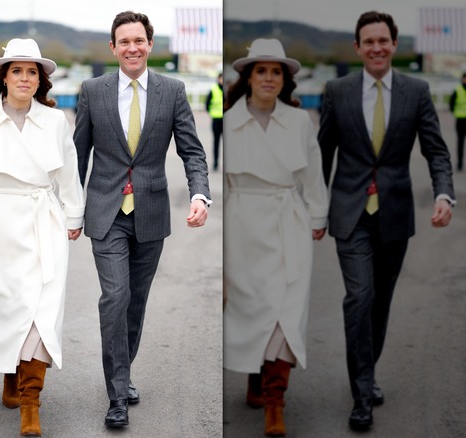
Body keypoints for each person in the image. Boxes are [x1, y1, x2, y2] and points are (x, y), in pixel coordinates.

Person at [318, 11, 456, 431]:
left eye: (384, 40)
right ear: (358, 48)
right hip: (350, 213)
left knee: (379, 305)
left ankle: (367, 370)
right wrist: (315, 208)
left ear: (394, 45)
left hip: (395, 215)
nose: (376, 48)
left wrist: (443, 194)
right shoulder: (337, 91)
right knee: (358, 299)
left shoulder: (417, 91)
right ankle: (362, 395)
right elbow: (321, 155)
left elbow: (436, 150)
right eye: (368, 41)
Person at [73, 11, 211, 428]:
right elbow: (77, 156)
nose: (132, 48)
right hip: (105, 211)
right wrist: (69, 209)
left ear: (150, 45)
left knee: (135, 302)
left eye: (139, 40)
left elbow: (192, 150)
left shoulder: (173, 91)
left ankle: (123, 371)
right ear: (112, 48)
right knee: (115, 299)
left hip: (150, 213)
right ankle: (117, 397)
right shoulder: (91, 91)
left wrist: (200, 193)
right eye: (124, 41)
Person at [0, 38, 84, 437]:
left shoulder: (55, 121)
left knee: (40, 313)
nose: (25, 78)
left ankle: (31, 402)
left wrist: (74, 214)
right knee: (7, 310)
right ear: (4, 77)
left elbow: (68, 173)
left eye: (32, 71)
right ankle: (11, 374)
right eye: (17, 70)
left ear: (40, 79)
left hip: (44, 223)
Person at [222, 38, 329, 437]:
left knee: (286, 311)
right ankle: (257, 376)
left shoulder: (300, 122)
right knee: (251, 310)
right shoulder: (230, 121)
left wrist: (318, 214)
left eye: (276, 71)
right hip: (242, 226)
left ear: (285, 79)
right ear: (248, 76)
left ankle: (274, 403)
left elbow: (312, 174)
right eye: (261, 70)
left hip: (289, 224)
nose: (269, 77)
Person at [205, 72, 224, 170]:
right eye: (221, 78)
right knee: (216, 142)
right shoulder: (213, 90)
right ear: (218, 79)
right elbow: (207, 104)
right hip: (216, 120)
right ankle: (215, 162)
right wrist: (212, 113)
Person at [449, 72, 465, 172]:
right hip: (461, 120)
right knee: (460, 142)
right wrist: (455, 111)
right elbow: (451, 103)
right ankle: (460, 163)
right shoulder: (458, 89)